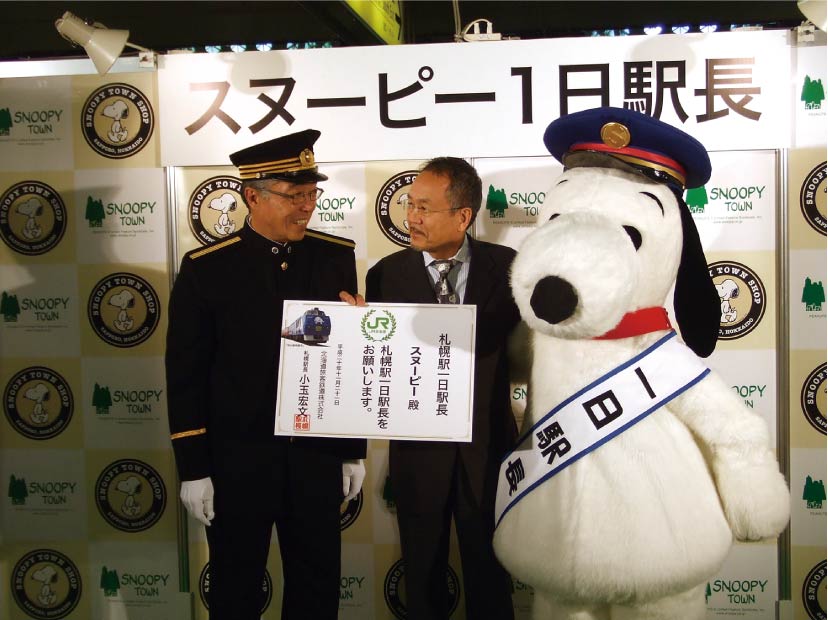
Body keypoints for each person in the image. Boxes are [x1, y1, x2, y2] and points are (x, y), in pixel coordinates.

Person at [165, 129, 367, 620]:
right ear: (252, 195)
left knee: (317, 591)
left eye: (312, 194)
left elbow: (342, 362)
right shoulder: (206, 269)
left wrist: (350, 450)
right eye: (294, 195)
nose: (307, 206)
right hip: (237, 463)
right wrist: (194, 467)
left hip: (315, 460)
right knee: (234, 591)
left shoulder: (334, 256)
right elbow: (186, 372)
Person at [365, 157, 520, 620]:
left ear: (463, 215)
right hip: (417, 456)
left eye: (424, 208)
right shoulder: (386, 275)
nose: (411, 217)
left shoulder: (510, 269)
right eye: (410, 205)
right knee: (423, 579)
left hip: (488, 451)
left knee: (491, 578)